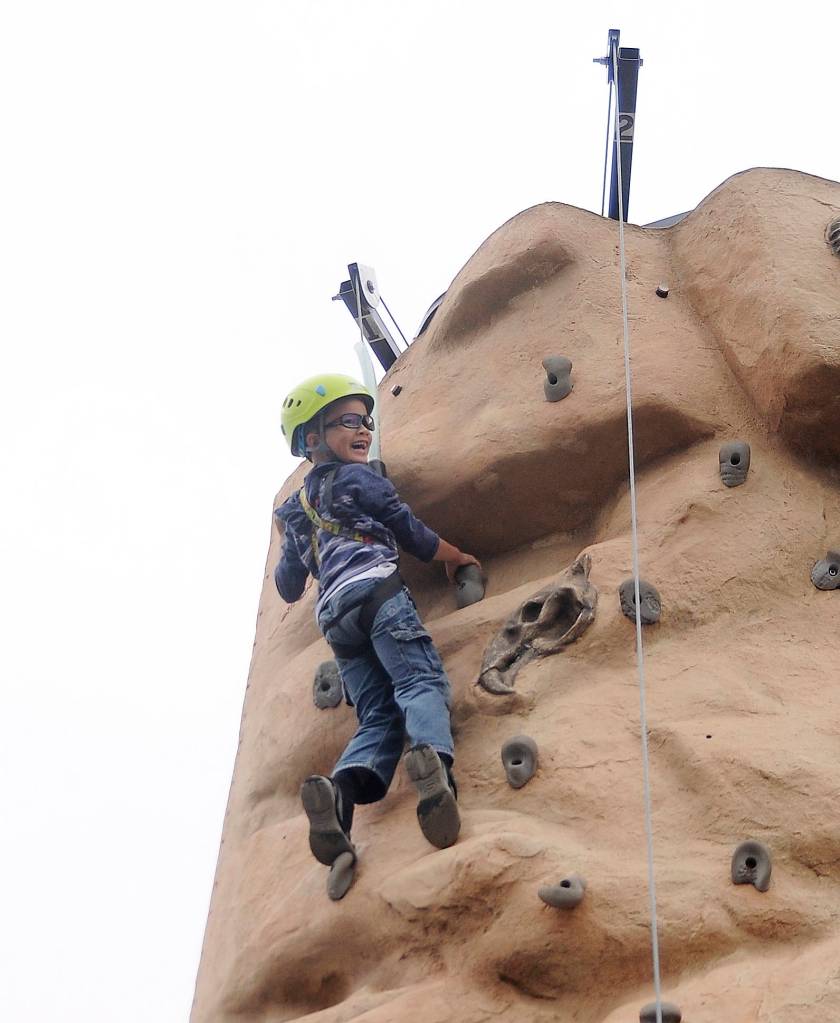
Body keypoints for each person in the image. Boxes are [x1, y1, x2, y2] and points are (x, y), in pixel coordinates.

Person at [275, 373, 481, 867]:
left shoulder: (298, 510)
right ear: (311, 438)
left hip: (336, 619)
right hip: (378, 593)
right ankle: (435, 766)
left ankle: (341, 795)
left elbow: (287, 587)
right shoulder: (358, 478)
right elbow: (407, 530)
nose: (363, 429)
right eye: (348, 422)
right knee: (419, 681)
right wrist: (455, 556)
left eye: (365, 420)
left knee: (378, 715)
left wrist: (292, 536)